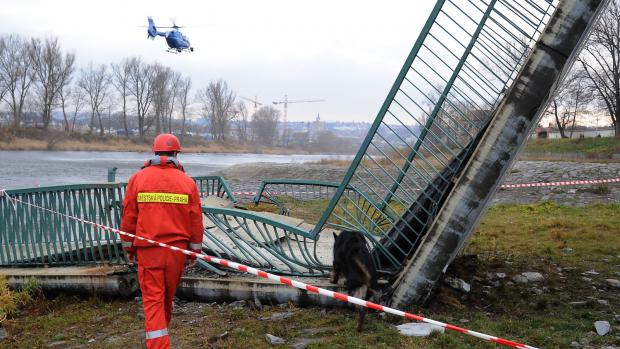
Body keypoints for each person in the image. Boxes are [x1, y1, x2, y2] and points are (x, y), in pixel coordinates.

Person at [120, 133, 204, 349]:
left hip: (149, 251)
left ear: (155, 152)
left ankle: (158, 344)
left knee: (153, 300)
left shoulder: (138, 179)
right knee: (166, 298)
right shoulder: (187, 182)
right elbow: (195, 220)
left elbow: (129, 216)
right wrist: (193, 252)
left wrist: (128, 246)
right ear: (176, 153)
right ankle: (160, 339)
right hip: (176, 252)